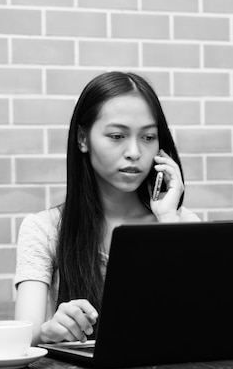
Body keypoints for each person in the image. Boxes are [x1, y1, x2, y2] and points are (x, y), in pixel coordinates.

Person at [14, 71, 200, 346]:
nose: (134, 152)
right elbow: (21, 335)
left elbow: (200, 321)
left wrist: (168, 222)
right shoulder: (45, 228)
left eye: (148, 137)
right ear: (83, 139)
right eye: (117, 136)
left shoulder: (181, 223)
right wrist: (47, 331)